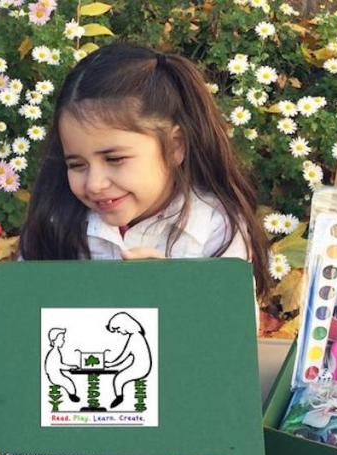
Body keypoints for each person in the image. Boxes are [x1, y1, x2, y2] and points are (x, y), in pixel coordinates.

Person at [19, 42, 271, 300]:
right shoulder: (53, 222)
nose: (94, 184)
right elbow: (22, 314)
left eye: (114, 159)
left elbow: (231, 332)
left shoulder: (216, 226)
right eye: (76, 165)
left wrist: (170, 294)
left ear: (175, 147)